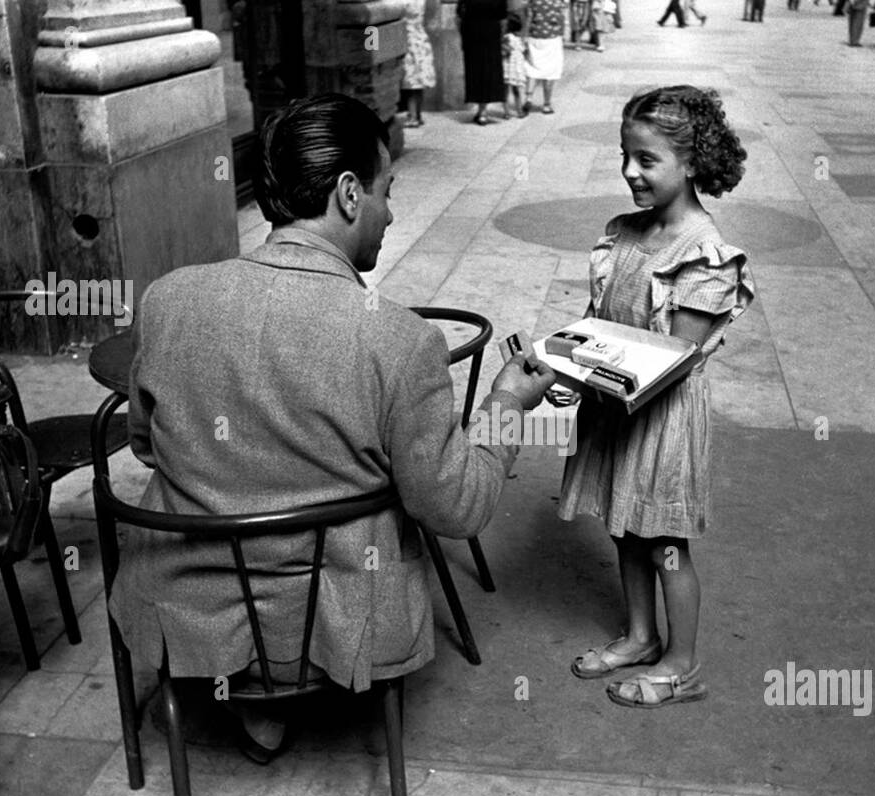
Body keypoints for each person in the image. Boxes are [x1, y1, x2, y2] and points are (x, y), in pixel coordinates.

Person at [111, 93, 555, 757]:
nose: (391, 210)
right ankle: (287, 685)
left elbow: (147, 446)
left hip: (190, 610)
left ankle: (256, 703)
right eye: (386, 190)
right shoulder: (398, 340)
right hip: (340, 623)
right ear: (349, 193)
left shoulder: (168, 299)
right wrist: (507, 406)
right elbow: (457, 506)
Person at [557, 86, 755, 709]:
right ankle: (642, 636)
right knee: (624, 529)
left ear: (691, 162)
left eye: (647, 160)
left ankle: (682, 661)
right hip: (613, 409)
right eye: (625, 156)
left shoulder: (705, 255)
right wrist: (561, 362)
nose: (629, 172)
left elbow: (674, 359)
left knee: (664, 541)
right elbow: (596, 317)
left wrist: (591, 370)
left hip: (661, 419)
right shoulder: (621, 234)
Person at [457, 0, 508, 123]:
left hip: (472, 34)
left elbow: (459, 16)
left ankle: (481, 110)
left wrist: (463, 36)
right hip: (491, 35)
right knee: (489, 71)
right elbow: (503, 19)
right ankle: (483, 111)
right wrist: (501, 38)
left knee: (475, 71)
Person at [523, 0, 565, 113]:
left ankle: (528, 98)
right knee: (550, 72)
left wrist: (525, 36)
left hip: (535, 37)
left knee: (532, 68)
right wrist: (562, 34)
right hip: (552, 38)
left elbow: (529, 18)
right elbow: (561, 19)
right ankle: (546, 104)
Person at [400, 0, 436, 128]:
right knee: (418, 81)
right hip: (420, 39)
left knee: (411, 81)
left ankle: (413, 116)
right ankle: (417, 114)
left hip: (409, 39)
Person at [502, 13, 529, 114]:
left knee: (507, 91)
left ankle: (507, 111)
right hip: (511, 66)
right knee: (515, 90)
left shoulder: (513, 38)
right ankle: (517, 110)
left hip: (511, 67)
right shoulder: (508, 38)